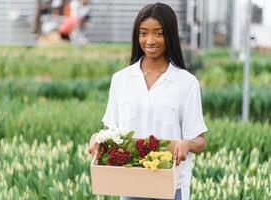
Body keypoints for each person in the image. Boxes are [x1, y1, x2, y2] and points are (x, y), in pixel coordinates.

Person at [88, 3, 207, 200]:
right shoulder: (121, 80)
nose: (150, 40)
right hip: (131, 185)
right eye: (144, 33)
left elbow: (200, 141)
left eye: (158, 33)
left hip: (170, 186)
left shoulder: (186, 83)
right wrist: (97, 138)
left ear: (169, 35)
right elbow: (111, 131)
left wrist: (188, 144)